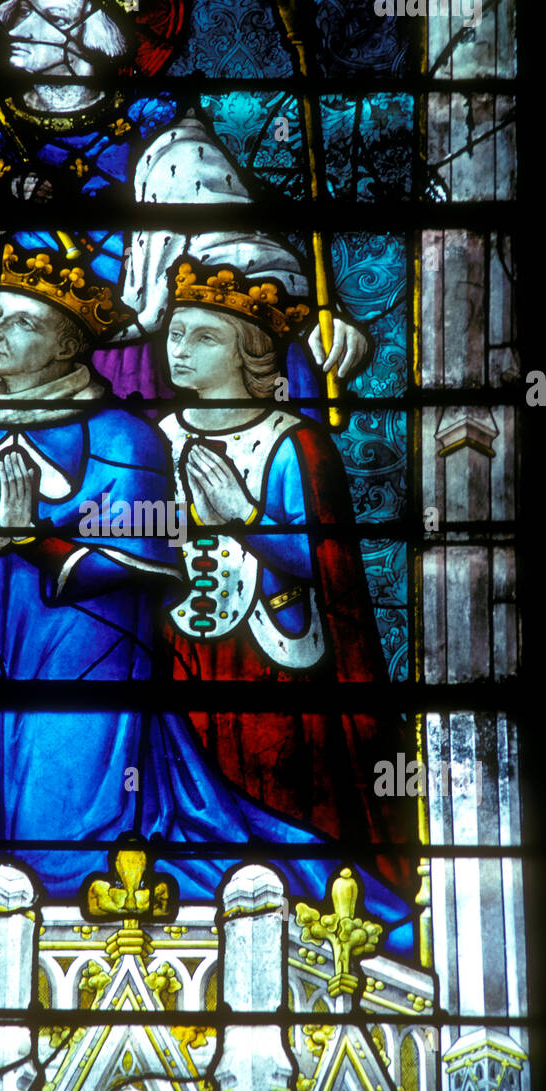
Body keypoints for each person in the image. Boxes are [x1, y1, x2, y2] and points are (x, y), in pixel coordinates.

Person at [0, 239, 413, 945]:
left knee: (68, 834)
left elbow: (142, 557)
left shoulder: (125, 438)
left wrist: (29, 537)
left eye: (20, 322)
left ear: (69, 348)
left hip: (103, 659)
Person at [0, 0, 369, 400]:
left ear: (91, 35)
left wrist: (316, 318)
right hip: (23, 373)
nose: (15, 26)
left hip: (141, 366)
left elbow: (233, 248)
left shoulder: (162, 134)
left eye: (44, 16)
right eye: (17, 10)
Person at [157, 249, 414, 911]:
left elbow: (326, 562)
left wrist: (241, 516)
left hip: (277, 666)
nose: (179, 350)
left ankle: (303, 908)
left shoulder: (295, 442)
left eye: (203, 337)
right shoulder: (152, 437)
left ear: (254, 354)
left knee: (281, 797)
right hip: (177, 655)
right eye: (175, 333)